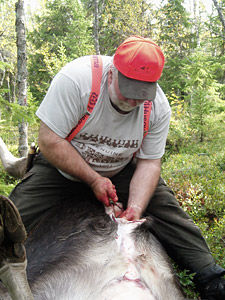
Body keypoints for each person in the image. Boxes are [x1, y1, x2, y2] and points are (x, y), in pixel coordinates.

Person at [10, 35, 224, 299]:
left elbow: (149, 162)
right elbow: (49, 140)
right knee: (13, 215)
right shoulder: (76, 81)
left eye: (142, 95)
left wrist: (136, 206)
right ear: (112, 73)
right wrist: (93, 179)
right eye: (129, 91)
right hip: (61, 167)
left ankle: (210, 276)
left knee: (171, 214)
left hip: (121, 168)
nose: (134, 102)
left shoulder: (157, 107)